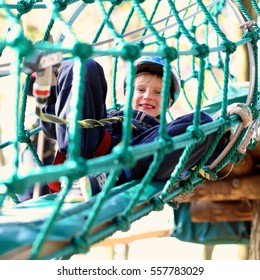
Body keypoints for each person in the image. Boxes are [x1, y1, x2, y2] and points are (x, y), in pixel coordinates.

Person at [34, 56, 252, 200]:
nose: (148, 96)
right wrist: (46, 78)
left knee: (200, 122)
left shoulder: (164, 131)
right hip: (92, 147)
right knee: (83, 65)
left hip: (138, 156)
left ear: (167, 104)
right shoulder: (108, 116)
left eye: (159, 93)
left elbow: (206, 153)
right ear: (126, 94)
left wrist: (226, 130)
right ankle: (76, 172)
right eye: (140, 89)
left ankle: (112, 175)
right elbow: (52, 126)